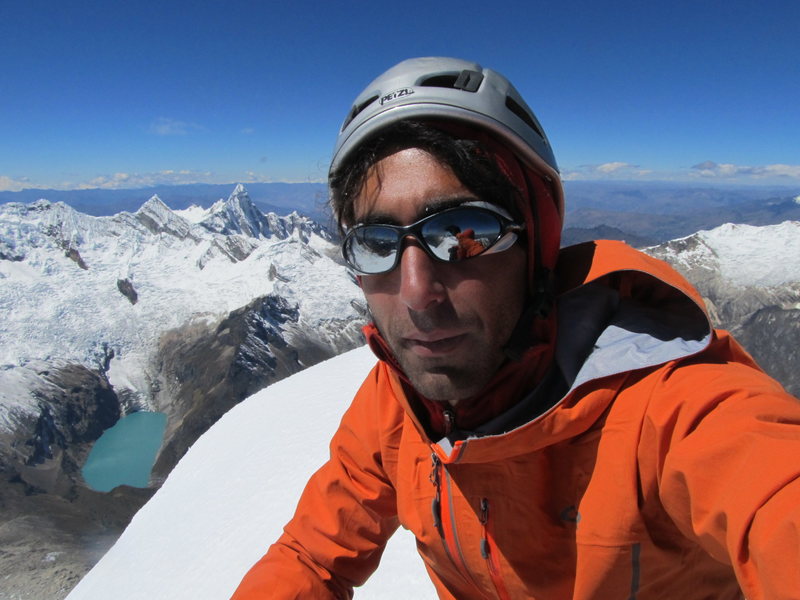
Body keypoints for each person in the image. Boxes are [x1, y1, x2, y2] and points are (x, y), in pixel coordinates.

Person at [231, 57, 800, 599]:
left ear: (535, 248)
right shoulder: (395, 406)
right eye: (376, 243)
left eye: (463, 233)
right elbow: (312, 557)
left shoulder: (666, 409)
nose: (415, 294)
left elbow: (773, 490)